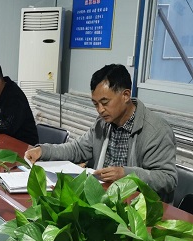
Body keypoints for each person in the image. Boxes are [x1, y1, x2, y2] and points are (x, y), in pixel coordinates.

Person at [25, 64, 177, 202]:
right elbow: (77, 149)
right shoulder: (103, 123)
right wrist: (43, 151)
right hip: (102, 197)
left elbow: (167, 178)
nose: (100, 110)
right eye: (95, 104)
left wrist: (126, 174)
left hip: (138, 206)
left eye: (105, 103)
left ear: (125, 95)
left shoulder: (156, 130)